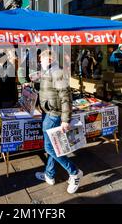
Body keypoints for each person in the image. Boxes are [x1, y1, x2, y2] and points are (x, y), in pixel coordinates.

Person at [35, 50, 83, 194]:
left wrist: (65, 120)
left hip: (54, 115)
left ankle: (74, 172)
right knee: (52, 147)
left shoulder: (58, 72)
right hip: (47, 112)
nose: (40, 62)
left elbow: (66, 97)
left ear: (49, 60)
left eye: (42, 59)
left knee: (50, 148)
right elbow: (49, 90)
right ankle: (50, 175)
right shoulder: (48, 71)